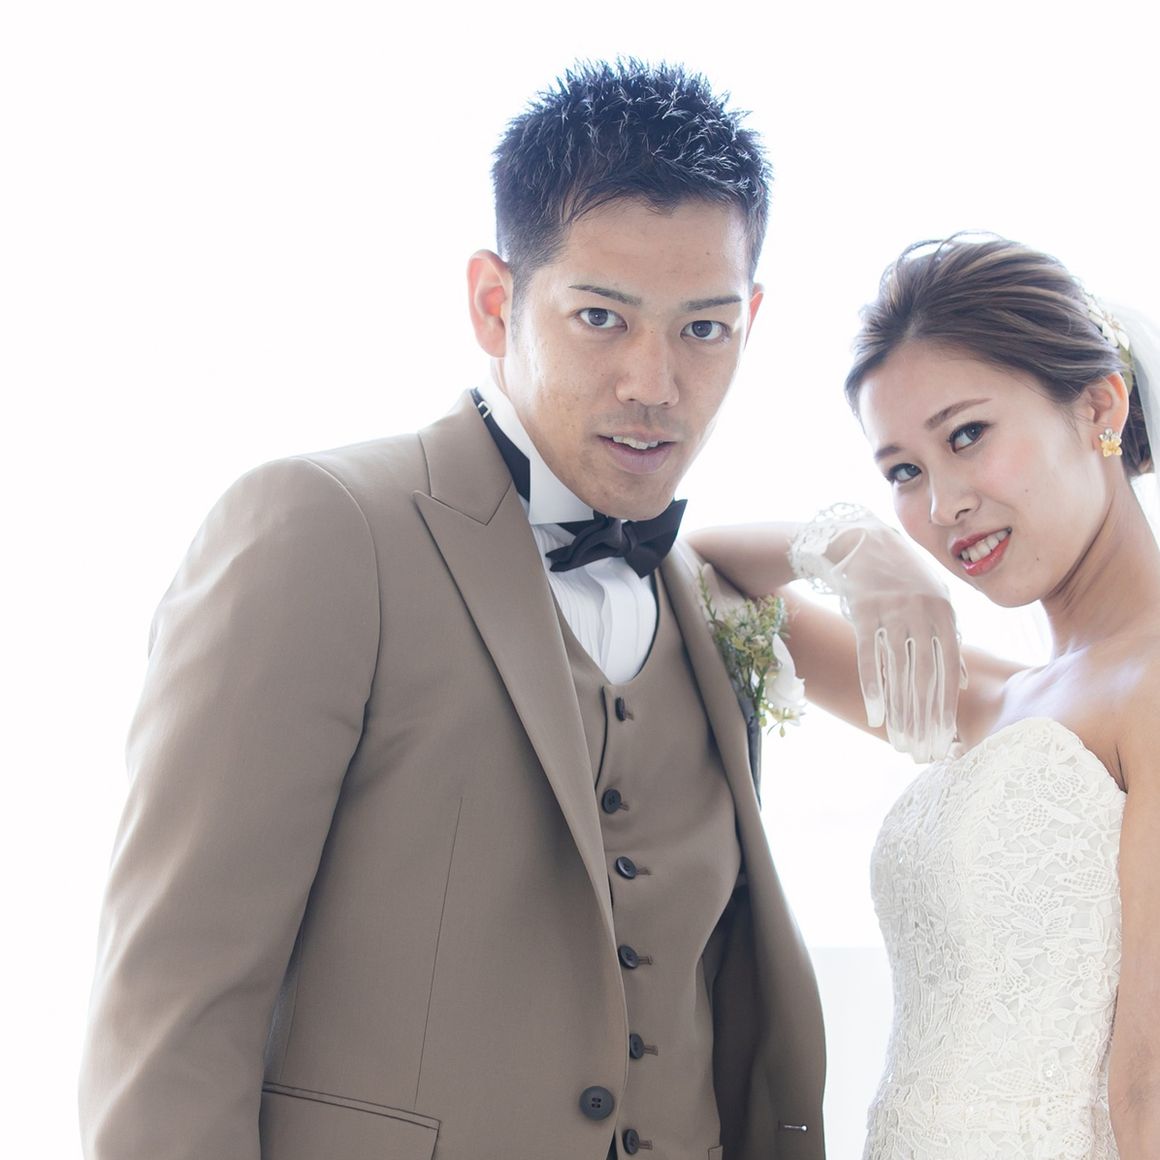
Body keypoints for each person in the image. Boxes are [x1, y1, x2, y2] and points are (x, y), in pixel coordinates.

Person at [78, 61, 962, 1160]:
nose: (654, 383)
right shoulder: (320, 529)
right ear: (495, 303)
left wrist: (850, 541)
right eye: (600, 317)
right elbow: (170, 1015)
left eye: (704, 329)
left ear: (753, 319)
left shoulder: (703, 596)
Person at [691, 234, 1160, 1158]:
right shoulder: (989, 698)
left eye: (967, 435)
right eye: (903, 472)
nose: (942, 507)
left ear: (1100, 406)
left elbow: (1148, 1090)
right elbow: (697, 576)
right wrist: (852, 547)